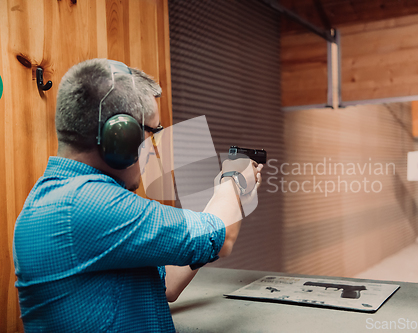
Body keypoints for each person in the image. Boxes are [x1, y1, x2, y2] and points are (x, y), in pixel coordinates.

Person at [12, 58, 263, 332]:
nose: (154, 148)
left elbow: (165, 283)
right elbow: (221, 237)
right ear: (122, 137)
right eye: (153, 132)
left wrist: (231, 200)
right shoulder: (88, 202)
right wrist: (235, 179)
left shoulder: (61, 196)